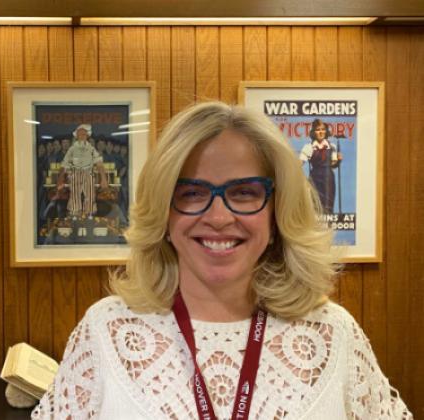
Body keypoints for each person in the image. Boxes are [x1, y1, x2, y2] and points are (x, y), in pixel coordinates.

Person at [32, 102, 412, 419]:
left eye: (244, 192)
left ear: (278, 211)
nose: (218, 217)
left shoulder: (333, 335)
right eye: (192, 192)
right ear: (163, 213)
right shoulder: (106, 331)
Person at [58, 124, 109, 220]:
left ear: (87, 136)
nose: (82, 136)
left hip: (88, 173)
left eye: (84, 134)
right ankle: (74, 213)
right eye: (80, 134)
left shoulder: (91, 149)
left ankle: (89, 213)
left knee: (89, 194)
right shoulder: (72, 149)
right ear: (76, 136)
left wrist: (104, 179)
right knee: (74, 194)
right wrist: (60, 179)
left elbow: (99, 163)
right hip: (75, 173)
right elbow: (64, 164)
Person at [299, 118, 342, 213]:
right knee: (315, 205)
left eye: (323, 129)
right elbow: (299, 164)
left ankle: (328, 226)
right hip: (314, 178)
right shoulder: (309, 147)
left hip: (328, 179)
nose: (321, 132)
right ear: (313, 132)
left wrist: (338, 160)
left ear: (326, 131)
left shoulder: (332, 146)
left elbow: (333, 165)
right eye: (318, 130)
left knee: (328, 206)